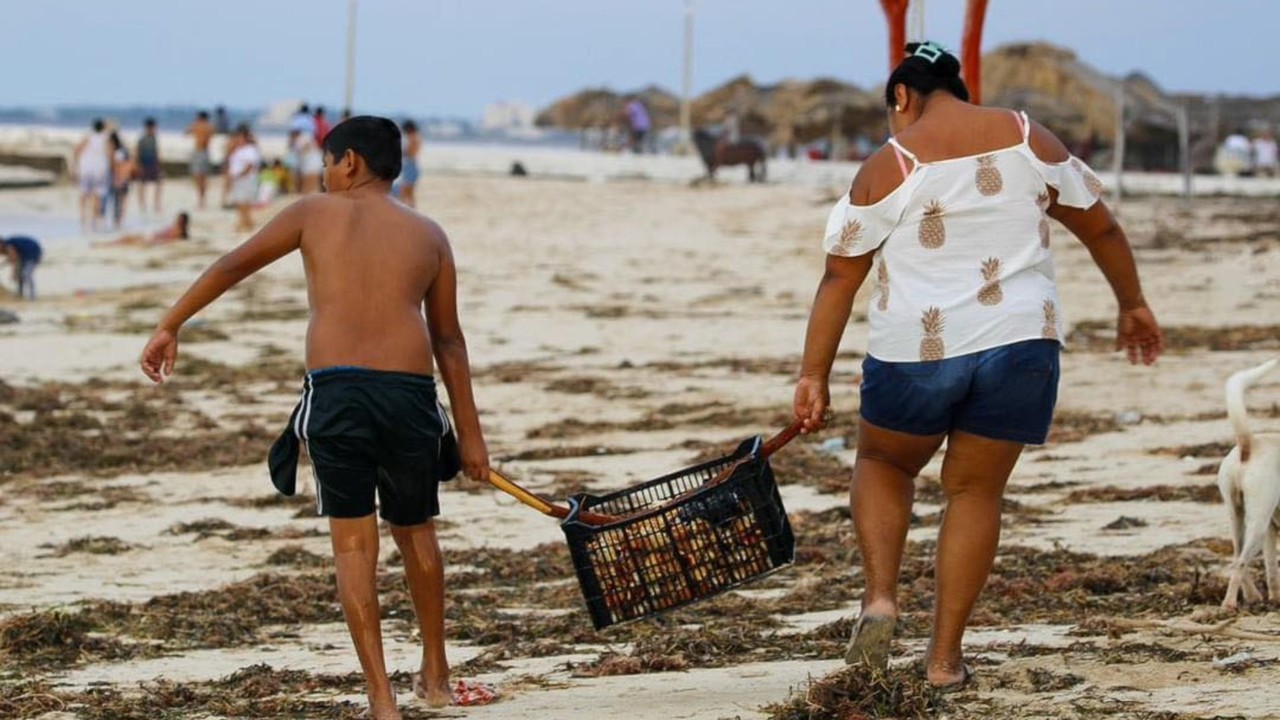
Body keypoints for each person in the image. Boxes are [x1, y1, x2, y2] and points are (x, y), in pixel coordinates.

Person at [793, 42, 1163, 690]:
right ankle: (944, 663)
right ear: (955, 88)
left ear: (902, 97)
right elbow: (1100, 228)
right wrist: (1131, 304)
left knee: (884, 462)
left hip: (918, 350)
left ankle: (881, 597)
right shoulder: (1025, 135)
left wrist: (812, 374)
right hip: (1022, 341)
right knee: (975, 491)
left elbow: (838, 276)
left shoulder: (891, 163)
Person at [140, 115, 489, 720]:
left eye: (328, 163)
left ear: (349, 162)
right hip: (411, 395)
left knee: (354, 548)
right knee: (416, 531)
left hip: (338, 394)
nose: (324, 174)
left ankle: (381, 702)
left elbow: (231, 265)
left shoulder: (312, 212)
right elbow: (450, 343)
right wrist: (473, 438)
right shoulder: (429, 234)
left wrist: (171, 323)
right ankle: (436, 676)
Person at [73, 118, 111, 230]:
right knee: (97, 195)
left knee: (84, 194)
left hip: (85, 168)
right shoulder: (105, 138)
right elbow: (109, 154)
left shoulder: (88, 136)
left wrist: (75, 165)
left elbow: (77, 149)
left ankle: (83, 218)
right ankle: (94, 219)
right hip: (100, 169)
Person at [225, 125, 262, 231]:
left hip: (246, 178)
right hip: (238, 178)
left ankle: (246, 223)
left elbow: (249, 165)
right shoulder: (237, 149)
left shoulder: (250, 149)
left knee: (244, 202)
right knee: (240, 202)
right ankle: (243, 222)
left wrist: (239, 175)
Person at [97, 212, 191, 247]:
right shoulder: (175, 228)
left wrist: (157, 240)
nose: (177, 220)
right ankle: (108, 244)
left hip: (154, 240)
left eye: (179, 218)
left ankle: (107, 244)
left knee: (128, 240)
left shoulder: (178, 232)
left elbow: (167, 240)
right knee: (128, 237)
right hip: (153, 237)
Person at [186, 111, 216, 208]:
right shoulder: (210, 127)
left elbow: (187, 131)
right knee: (204, 177)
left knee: (198, 177)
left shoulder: (197, 125)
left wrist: (196, 123)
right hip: (206, 152)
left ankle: (200, 200)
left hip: (198, 151)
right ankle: (203, 200)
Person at [107, 132, 135, 229]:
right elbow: (130, 164)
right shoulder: (124, 151)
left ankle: (117, 222)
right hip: (125, 178)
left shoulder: (118, 152)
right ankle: (120, 221)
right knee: (122, 201)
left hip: (119, 178)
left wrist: (117, 179)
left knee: (117, 201)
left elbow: (117, 166)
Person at [1, 235, 42, 300]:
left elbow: (13, 259)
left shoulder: (8, 245)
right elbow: (13, 257)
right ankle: (20, 294)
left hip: (32, 253)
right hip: (24, 255)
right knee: (21, 275)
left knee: (26, 274)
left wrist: (13, 274)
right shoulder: (8, 245)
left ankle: (32, 295)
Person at [136, 117, 162, 215]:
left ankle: (156, 204)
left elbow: (157, 152)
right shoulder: (142, 139)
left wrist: (158, 163)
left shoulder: (154, 138)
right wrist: (139, 165)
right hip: (145, 162)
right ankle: (142, 204)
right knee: (142, 185)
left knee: (158, 184)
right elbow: (138, 152)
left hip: (153, 163)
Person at [393, 120, 421, 208]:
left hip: (410, 167)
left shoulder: (413, 138)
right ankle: (411, 212)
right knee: (408, 194)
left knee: (405, 193)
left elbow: (410, 153)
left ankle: (408, 212)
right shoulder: (415, 138)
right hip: (411, 167)